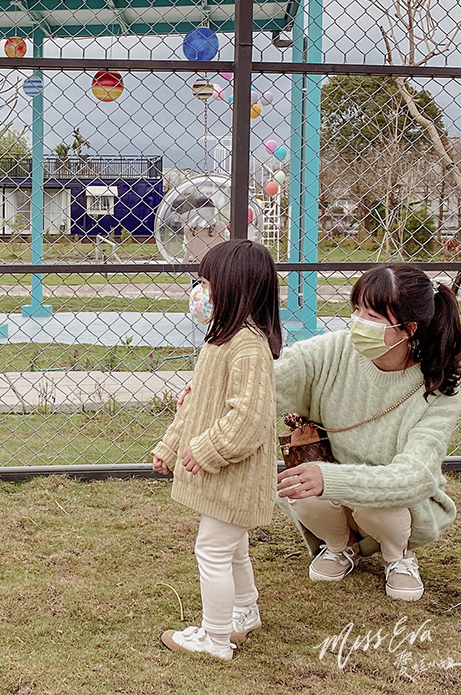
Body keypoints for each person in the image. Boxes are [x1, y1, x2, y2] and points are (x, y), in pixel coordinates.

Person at [276, 264, 461, 602]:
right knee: (297, 487)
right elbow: (280, 374)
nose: (358, 322)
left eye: (373, 316)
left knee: (375, 504)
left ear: (408, 329)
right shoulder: (335, 350)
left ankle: (398, 556)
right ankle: (340, 546)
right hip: (334, 493)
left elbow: (414, 478)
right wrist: (213, 385)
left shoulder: (438, 389)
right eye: (357, 310)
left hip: (397, 509)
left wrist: (329, 478)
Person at [153, 240, 282, 661]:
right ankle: (244, 612)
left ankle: (215, 637)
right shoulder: (222, 340)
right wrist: (170, 447)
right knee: (233, 549)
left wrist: (205, 450)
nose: (199, 290)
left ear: (233, 287)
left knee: (211, 551)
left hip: (234, 477)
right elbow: (195, 404)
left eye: (207, 281)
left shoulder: (247, 346)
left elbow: (250, 417)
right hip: (227, 477)